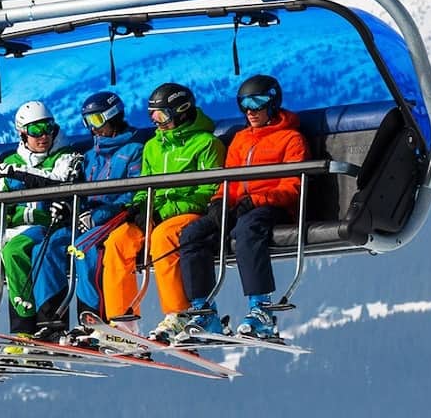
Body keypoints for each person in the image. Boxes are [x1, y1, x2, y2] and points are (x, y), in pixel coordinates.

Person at [178, 74, 308, 340]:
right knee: (193, 234)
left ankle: (261, 309)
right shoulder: (240, 139)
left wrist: (257, 200)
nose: (250, 111)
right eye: (244, 104)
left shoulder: (290, 139)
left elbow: (292, 187)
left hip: (274, 208)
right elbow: (230, 180)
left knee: (246, 232)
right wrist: (219, 202)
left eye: (257, 103)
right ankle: (203, 311)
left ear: (272, 103)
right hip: (240, 208)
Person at [101, 83, 225, 340]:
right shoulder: (152, 147)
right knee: (118, 240)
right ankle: (122, 322)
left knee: (163, 238)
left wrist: (165, 210)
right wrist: (139, 207)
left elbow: (208, 190)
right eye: (152, 116)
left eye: (162, 115)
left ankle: (178, 313)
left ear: (181, 111)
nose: (157, 122)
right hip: (156, 214)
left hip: (188, 213)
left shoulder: (206, 143)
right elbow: (143, 185)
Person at [0, 100, 82, 337]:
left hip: (43, 225)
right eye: (35, 130)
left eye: (48, 127)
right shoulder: (11, 163)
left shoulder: (67, 156)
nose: (43, 135)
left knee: (14, 251)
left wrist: (18, 179)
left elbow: (56, 181)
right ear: (22, 134)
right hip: (10, 226)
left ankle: (23, 328)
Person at [30, 91, 144, 342]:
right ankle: (51, 321)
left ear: (113, 116)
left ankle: (93, 318)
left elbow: (134, 193)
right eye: (87, 122)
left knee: (83, 247)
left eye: (96, 120)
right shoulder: (90, 156)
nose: (93, 128)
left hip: (116, 219)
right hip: (85, 220)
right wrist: (70, 209)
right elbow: (79, 194)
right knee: (45, 247)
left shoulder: (134, 150)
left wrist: (100, 215)